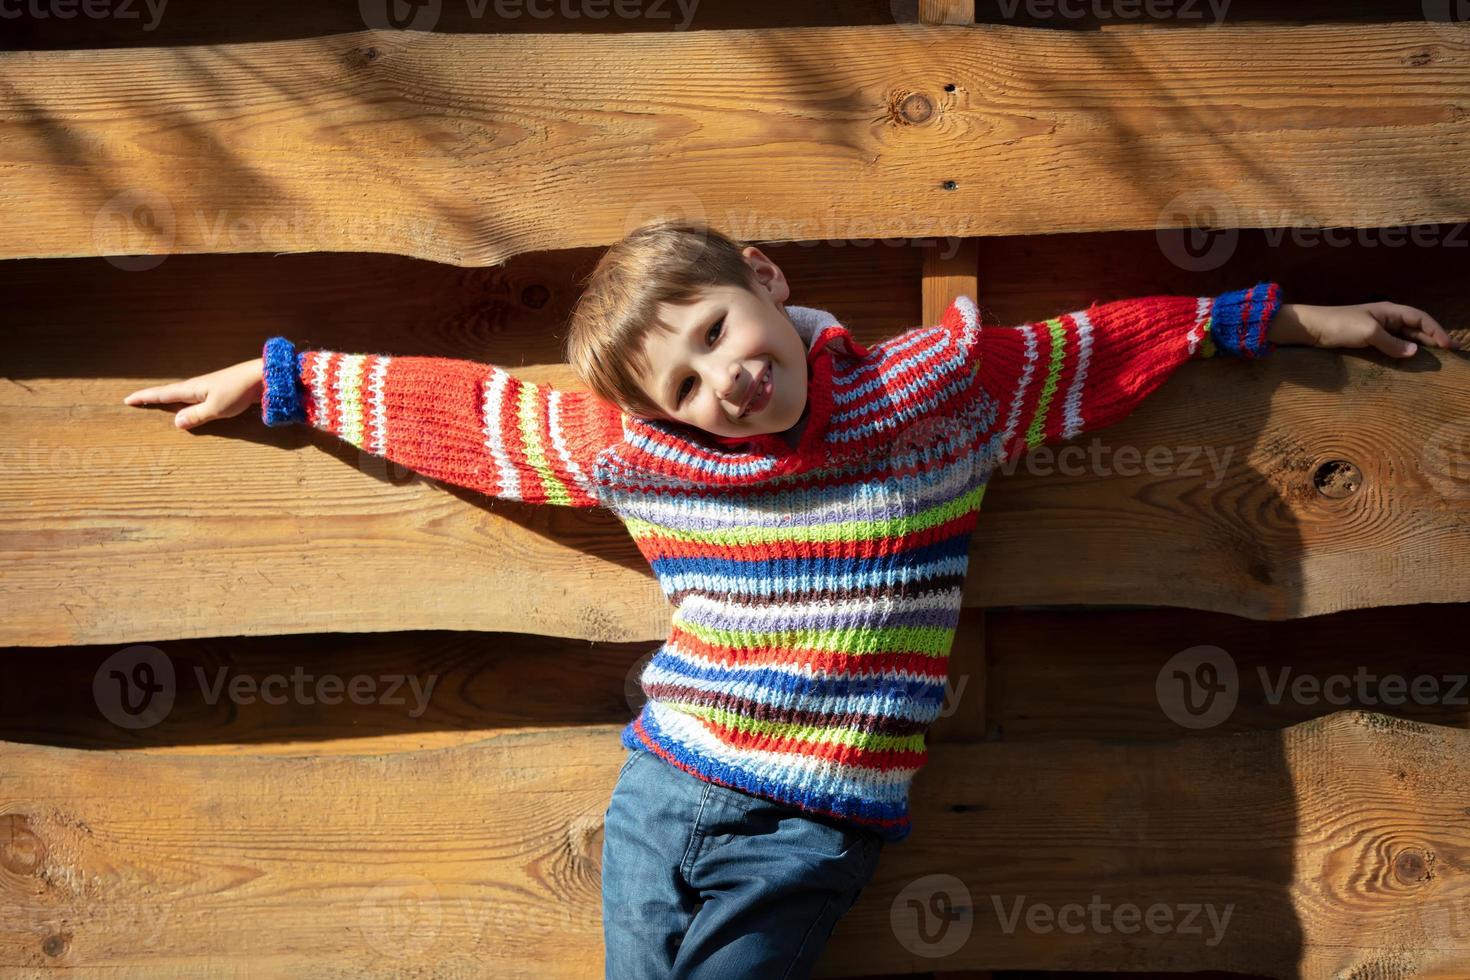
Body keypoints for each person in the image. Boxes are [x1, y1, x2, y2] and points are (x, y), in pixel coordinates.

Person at [122, 218, 1457, 978]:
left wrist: (1279, 319)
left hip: (812, 826)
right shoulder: (643, 455)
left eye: (716, 333)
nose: (724, 383)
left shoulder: (940, 396)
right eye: (684, 381)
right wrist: (281, 380)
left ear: (761, 279)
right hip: (664, 793)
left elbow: (1092, 343)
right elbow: (472, 411)